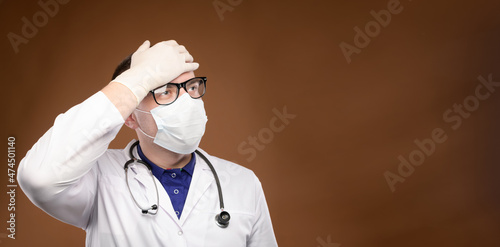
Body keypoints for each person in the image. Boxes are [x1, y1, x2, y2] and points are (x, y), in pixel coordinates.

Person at [18, 40, 278, 247]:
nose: (187, 100)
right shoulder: (96, 178)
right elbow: (38, 177)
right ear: (130, 116)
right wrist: (138, 76)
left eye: (192, 87)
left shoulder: (244, 183)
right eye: (165, 91)